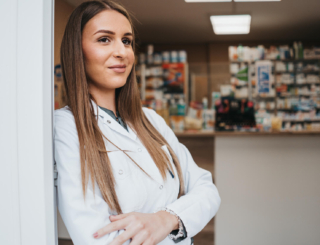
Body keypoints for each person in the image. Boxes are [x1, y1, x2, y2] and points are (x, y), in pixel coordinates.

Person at [53, 1, 221, 244]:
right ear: (76, 50)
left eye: (127, 40)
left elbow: (207, 190)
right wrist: (178, 217)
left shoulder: (149, 119)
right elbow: (97, 237)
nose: (121, 51)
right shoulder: (67, 127)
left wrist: (166, 219)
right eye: (104, 39)